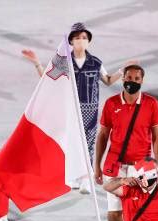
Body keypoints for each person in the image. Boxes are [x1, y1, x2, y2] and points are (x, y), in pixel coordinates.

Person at [22, 22, 122, 194]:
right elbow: (48, 78)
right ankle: (72, 176)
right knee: (71, 141)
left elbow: (107, 80)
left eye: (84, 38)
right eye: (77, 38)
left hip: (89, 108)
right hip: (70, 108)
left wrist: (122, 72)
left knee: (88, 142)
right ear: (70, 41)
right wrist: (37, 63)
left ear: (88, 41)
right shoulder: (64, 63)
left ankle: (86, 177)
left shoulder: (95, 63)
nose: (80, 41)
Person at [94, 64, 158, 221]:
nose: (131, 81)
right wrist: (96, 165)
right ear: (122, 78)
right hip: (115, 164)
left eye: (136, 78)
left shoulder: (151, 104)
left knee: (135, 211)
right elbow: (103, 135)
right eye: (128, 77)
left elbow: (157, 137)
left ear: (141, 81)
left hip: (140, 166)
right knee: (114, 212)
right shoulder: (111, 103)